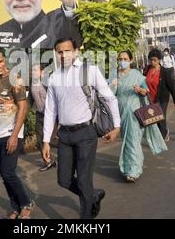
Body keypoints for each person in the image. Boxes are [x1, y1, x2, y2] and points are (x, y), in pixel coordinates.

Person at [42, 37, 121, 219]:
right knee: (64, 180)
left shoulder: (90, 71)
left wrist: (116, 126)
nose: (63, 55)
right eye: (59, 52)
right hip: (65, 136)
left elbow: (109, 98)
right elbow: (50, 110)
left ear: (76, 51)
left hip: (86, 133)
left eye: (67, 50)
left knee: (84, 181)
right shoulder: (54, 77)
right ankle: (93, 196)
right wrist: (46, 140)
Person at [0, 48, 35, 219]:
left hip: (10, 133)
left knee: (8, 172)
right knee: (3, 174)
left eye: (1, 61)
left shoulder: (14, 79)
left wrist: (14, 135)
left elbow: (23, 107)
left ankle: (26, 202)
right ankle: (16, 206)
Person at [111, 51, 168, 182]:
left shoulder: (137, 75)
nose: (122, 61)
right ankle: (130, 165)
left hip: (135, 113)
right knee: (127, 141)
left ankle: (133, 171)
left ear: (130, 60)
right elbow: (109, 93)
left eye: (125, 59)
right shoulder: (115, 75)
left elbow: (146, 90)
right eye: (120, 59)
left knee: (132, 141)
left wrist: (141, 90)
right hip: (120, 113)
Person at [144, 49, 175, 142]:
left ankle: (164, 134)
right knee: (153, 118)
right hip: (150, 98)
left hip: (162, 98)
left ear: (159, 60)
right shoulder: (147, 69)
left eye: (154, 60)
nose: (152, 62)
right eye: (150, 60)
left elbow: (171, 87)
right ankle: (159, 133)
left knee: (161, 116)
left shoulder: (165, 72)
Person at [30, 63, 57, 171]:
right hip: (40, 114)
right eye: (32, 70)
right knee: (41, 139)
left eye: (36, 70)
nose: (33, 72)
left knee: (51, 138)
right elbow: (30, 99)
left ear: (42, 72)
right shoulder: (31, 84)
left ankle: (70, 153)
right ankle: (48, 161)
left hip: (51, 115)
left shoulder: (47, 83)